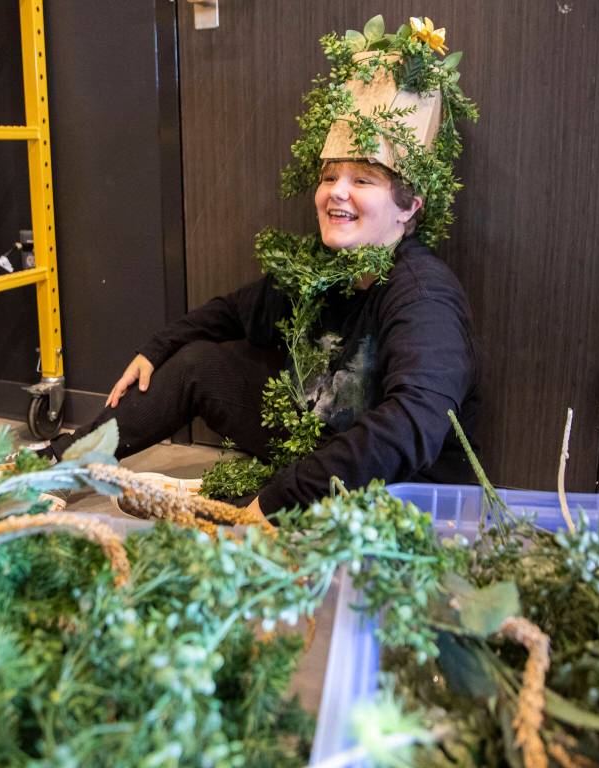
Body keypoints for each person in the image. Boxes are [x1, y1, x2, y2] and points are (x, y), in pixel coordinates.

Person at [44, 16, 480, 518]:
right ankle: (55, 471)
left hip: (398, 487)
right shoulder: (323, 268)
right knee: (197, 363)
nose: (337, 191)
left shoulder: (423, 296)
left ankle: (235, 502)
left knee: (259, 504)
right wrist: (155, 349)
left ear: (409, 207)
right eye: (330, 175)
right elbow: (230, 313)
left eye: (363, 180)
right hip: (320, 438)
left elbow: (411, 427)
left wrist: (279, 497)